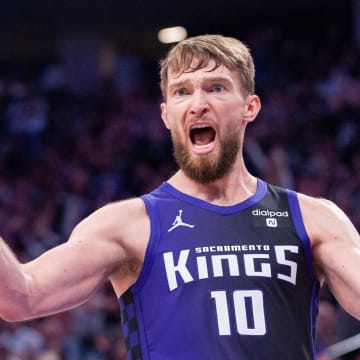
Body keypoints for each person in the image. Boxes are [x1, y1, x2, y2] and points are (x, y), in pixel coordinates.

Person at [0, 34, 359, 360]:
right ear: (166, 115)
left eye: (216, 88)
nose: (197, 104)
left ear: (250, 107)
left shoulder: (313, 219)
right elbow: (20, 297)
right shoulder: (126, 225)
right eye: (182, 91)